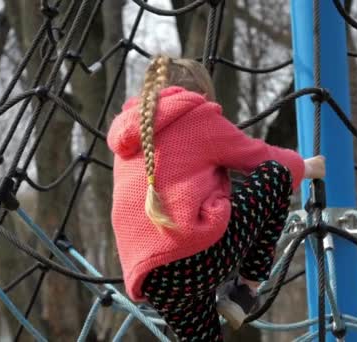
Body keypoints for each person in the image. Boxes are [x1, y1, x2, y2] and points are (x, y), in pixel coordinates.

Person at [107, 55, 325, 341]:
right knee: (276, 174)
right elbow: (260, 156)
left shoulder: (126, 136)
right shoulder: (197, 116)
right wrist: (307, 167)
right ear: (201, 93)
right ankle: (244, 290)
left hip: (154, 281)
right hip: (197, 259)